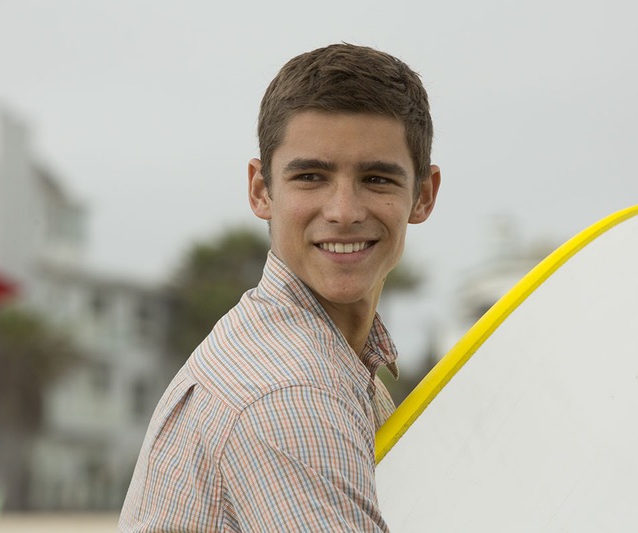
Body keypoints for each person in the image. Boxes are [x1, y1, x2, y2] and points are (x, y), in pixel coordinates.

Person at [119, 42, 440, 532]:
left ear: (423, 196)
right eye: (311, 176)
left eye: (377, 179)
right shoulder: (290, 394)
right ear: (260, 190)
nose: (344, 211)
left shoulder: (334, 365)